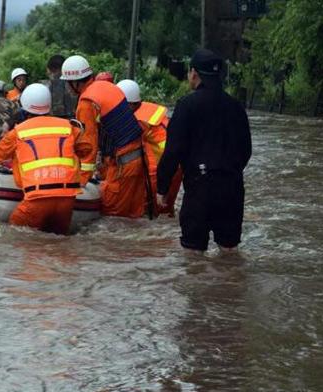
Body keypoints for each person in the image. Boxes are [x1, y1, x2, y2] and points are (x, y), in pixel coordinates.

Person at [0, 83, 93, 235]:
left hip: (37, 198)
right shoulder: (69, 127)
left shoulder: (18, 133)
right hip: (67, 199)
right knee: (61, 246)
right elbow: (87, 148)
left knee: (17, 238)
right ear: (48, 105)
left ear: (24, 107)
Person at [156, 49, 252, 252]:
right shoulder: (236, 107)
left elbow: (173, 150)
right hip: (232, 188)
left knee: (193, 256)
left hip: (200, 188)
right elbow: (246, 150)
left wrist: (162, 188)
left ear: (194, 73)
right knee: (229, 252)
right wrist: (230, 171)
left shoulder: (187, 106)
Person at [61, 55, 147, 218]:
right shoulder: (106, 87)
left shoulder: (86, 102)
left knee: (112, 217)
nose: (67, 87)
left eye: (67, 82)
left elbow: (88, 146)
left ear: (75, 82)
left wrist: (82, 180)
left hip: (123, 165)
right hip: (139, 159)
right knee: (135, 217)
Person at [117, 79, 182, 217]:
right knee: (165, 212)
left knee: (151, 211)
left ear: (128, 104)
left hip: (164, 167)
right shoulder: (148, 109)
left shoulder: (137, 121)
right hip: (177, 165)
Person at [43, 54, 78, 119]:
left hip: (55, 123)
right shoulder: (75, 84)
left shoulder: (48, 86)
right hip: (74, 122)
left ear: (50, 70)